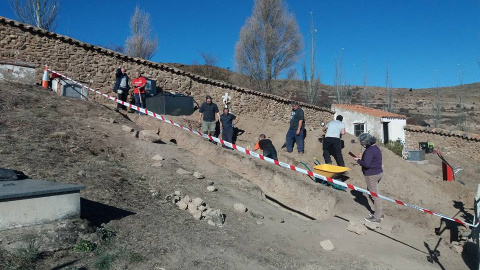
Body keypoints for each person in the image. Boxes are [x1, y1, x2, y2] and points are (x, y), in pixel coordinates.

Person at [352, 133, 384, 224]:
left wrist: (358, 161)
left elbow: (366, 164)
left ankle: (377, 217)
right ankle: (379, 213)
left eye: (362, 143)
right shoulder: (375, 148)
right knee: (374, 193)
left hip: (371, 175)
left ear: (366, 143)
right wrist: (362, 158)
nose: (361, 145)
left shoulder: (370, 150)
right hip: (378, 172)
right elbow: (369, 159)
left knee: (375, 195)